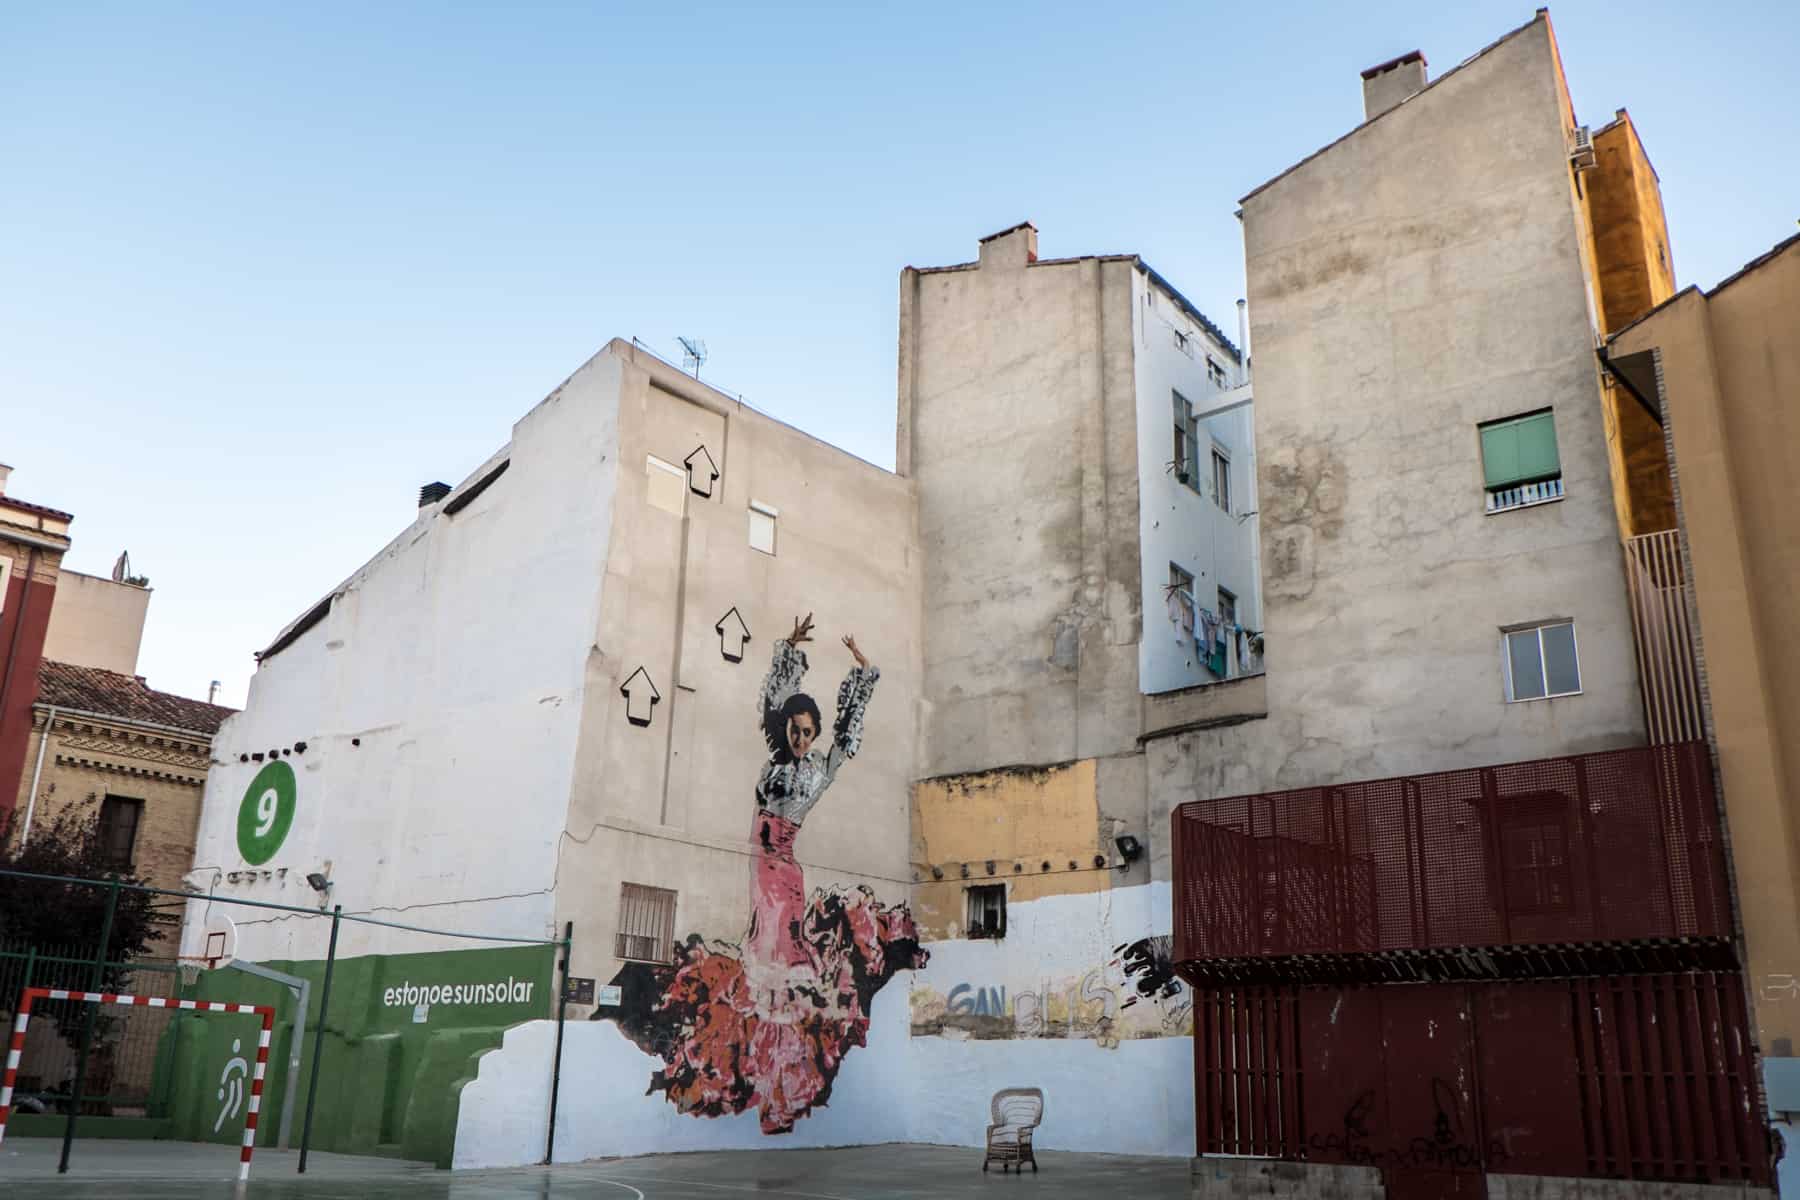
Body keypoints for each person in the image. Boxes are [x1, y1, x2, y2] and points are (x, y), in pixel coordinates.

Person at [606, 613, 927, 1135]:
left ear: (815, 735)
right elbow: (771, 707)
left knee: (777, 965)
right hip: (766, 868)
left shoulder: (818, 770)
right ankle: (772, 1063)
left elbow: (847, 737)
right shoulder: (776, 754)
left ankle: (779, 1069)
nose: (801, 737)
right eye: (796, 730)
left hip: (782, 872)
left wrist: (863, 676)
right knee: (768, 963)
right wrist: (789, 651)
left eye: (808, 732)